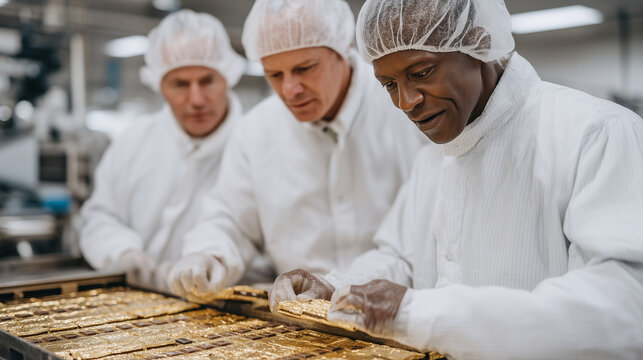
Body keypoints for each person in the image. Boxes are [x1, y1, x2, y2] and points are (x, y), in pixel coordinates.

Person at [270, 0, 643, 359]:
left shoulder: (595, 133)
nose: (406, 101)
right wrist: (339, 287)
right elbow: (400, 256)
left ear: (479, 43)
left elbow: (623, 304)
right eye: (389, 84)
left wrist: (420, 314)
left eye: (421, 73)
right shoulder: (433, 157)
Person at [167, 0, 427, 302]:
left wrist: (343, 287)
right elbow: (231, 219)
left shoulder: (405, 108)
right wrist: (210, 254)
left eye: (305, 68)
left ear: (342, 48)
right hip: (297, 319)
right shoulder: (257, 130)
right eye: (274, 75)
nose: (290, 90)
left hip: (397, 312)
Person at [80, 10, 246, 291]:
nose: (196, 99)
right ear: (159, 85)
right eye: (180, 84)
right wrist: (123, 252)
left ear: (227, 77)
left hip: (226, 311)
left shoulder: (253, 144)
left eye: (207, 81)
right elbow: (99, 216)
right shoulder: (134, 141)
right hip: (132, 304)